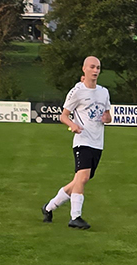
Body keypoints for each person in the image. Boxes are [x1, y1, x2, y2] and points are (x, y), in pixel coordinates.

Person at [43, 55, 110, 230]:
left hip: (98, 142)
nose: (95, 70)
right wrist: (73, 125)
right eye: (92, 67)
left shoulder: (104, 92)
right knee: (83, 177)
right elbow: (63, 116)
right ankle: (75, 217)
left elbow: (108, 116)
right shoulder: (77, 91)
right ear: (84, 69)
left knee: (79, 181)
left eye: (98, 68)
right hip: (82, 141)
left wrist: (107, 117)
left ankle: (49, 207)